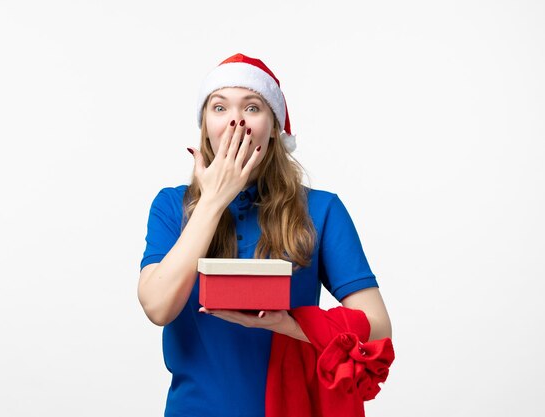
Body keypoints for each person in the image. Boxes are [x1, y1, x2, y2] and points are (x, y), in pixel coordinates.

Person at [138, 53, 392, 417]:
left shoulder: (321, 210)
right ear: (206, 124)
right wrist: (212, 201)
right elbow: (158, 306)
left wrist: (290, 324)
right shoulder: (170, 205)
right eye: (220, 107)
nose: (235, 120)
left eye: (252, 107)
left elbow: (378, 329)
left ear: (274, 127)